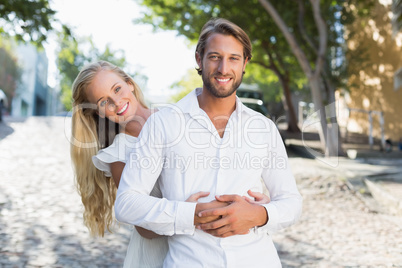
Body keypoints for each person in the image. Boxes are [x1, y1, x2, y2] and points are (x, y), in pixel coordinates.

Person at [115, 18, 302, 267]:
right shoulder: (163, 124)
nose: (224, 68)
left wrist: (260, 214)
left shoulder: (263, 128)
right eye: (215, 56)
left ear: (245, 63)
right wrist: (191, 215)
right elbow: (126, 204)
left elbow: (291, 201)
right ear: (199, 59)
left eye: (234, 58)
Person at [70, 60, 270, 267]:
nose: (117, 102)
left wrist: (254, 199)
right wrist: (187, 212)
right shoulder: (119, 156)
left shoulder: (175, 118)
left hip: (206, 250)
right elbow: (143, 228)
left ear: (129, 83)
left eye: (117, 89)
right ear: (97, 112)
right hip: (161, 254)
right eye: (104, 102)